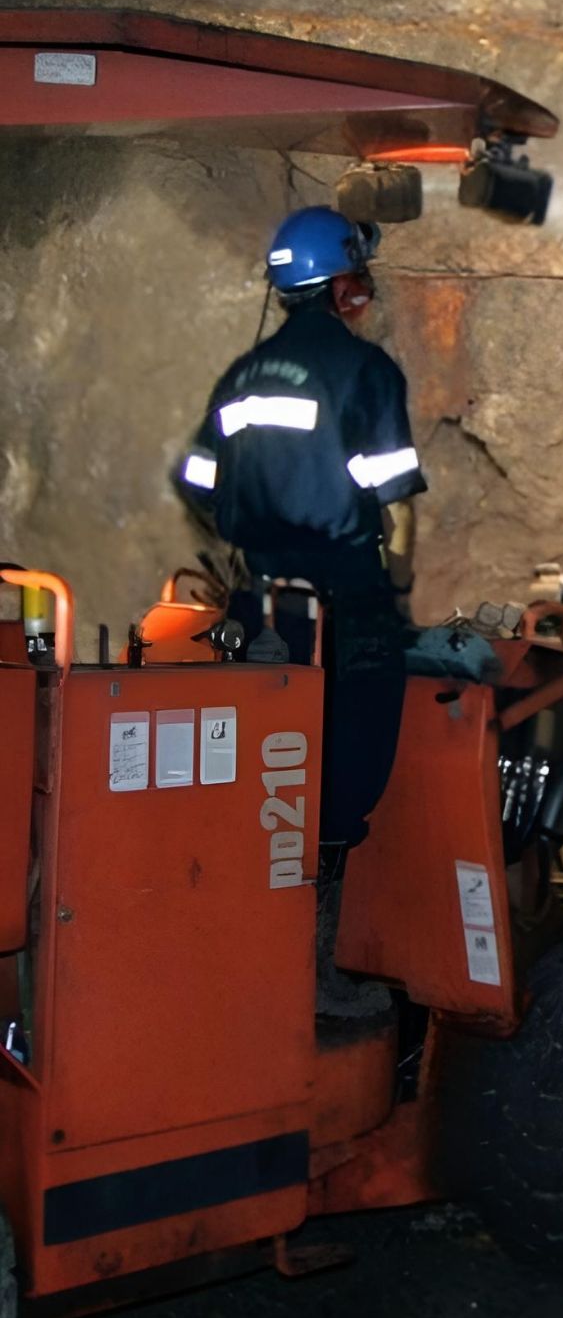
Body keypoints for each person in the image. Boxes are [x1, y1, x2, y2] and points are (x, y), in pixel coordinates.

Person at [177, 206, 426, 1016]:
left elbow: (198, 483)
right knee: (342, 781)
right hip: (342, 606)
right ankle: (313, 982)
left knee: (262, 780)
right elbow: (398, 502)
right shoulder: (367, 373)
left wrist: (256, 537)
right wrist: (394, 583)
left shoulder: (241, 377)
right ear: (345, 285)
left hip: (260, 610)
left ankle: (248, 964)